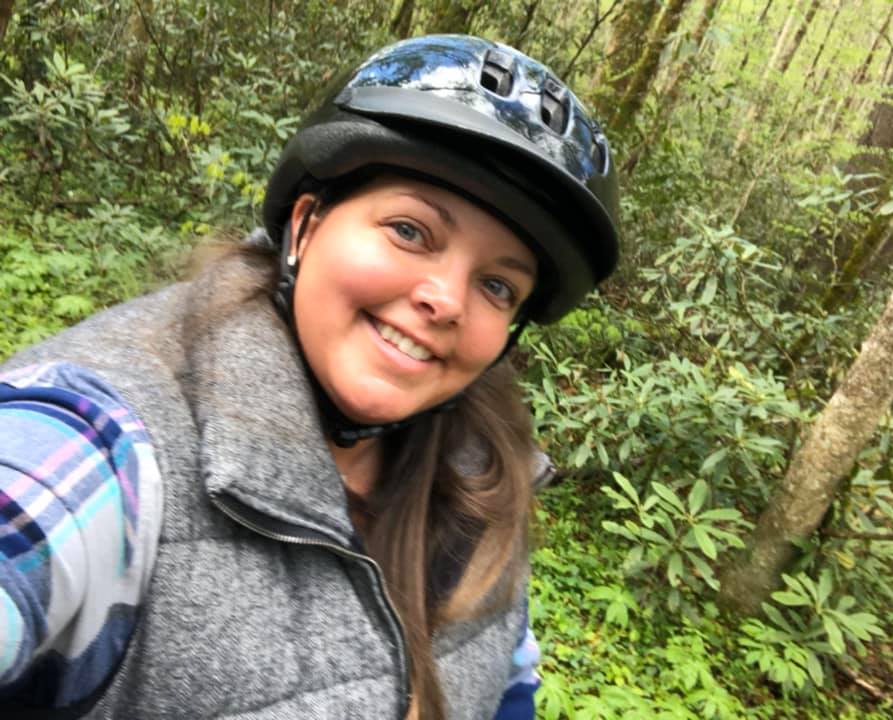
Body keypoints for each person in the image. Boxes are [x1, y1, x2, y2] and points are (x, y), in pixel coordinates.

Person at [0, 34, 618, 719]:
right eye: (410, 231)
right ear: (306, 223)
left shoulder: (483, 473)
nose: (446, 300)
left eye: (499, 286)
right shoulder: (111, 444)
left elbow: (509, 672)